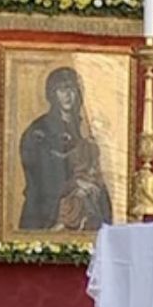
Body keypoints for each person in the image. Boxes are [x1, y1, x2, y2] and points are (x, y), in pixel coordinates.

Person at [19, 67, 113, 231]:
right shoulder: (40, 130)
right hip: (48, 209)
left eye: (72, 89)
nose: (68, 95)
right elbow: (40, 172)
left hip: (87, 200)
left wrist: (93, 184)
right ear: (52, 93)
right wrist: (74, 184)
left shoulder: (84, 128)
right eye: (62, 89)